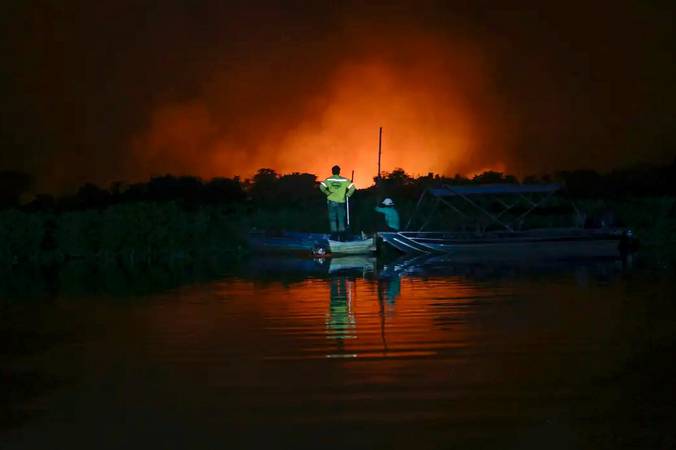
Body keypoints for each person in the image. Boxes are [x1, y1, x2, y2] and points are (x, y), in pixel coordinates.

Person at [319, 165, 355, 237]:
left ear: (332, 171)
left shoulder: (329, 180)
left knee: (333, 219)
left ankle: (334, 236)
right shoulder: (344, 180)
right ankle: (342, 236)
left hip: (331, 201)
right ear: (339, 171)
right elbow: (352, 187)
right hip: (341, 202)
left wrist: (327, 193)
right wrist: (348, 194)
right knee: (341, 219)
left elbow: (321, 186)